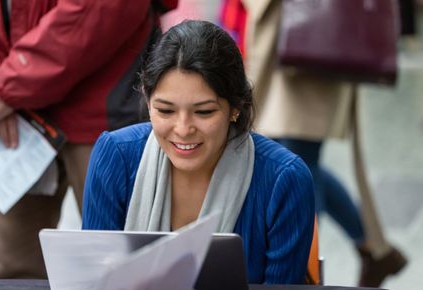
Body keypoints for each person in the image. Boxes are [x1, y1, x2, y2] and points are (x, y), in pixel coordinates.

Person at [82, 20, 315, 284]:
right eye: (165, 111)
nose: (183, 129)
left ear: (236, 107)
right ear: (147, 101)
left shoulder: (283, 180)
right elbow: (95, 281)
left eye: (204, 112)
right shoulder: (114, 157)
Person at [0, 0, 178, 279]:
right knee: (14, 268)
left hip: (103, 105)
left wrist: (8, 85)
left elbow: (104, 9)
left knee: (127, 263)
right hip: (16, 115)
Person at [238, 0, 407, 287]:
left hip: (317, 37)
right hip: (297, 36)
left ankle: (302, 268)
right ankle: (372, 250)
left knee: (297, 158)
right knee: (291, 157)